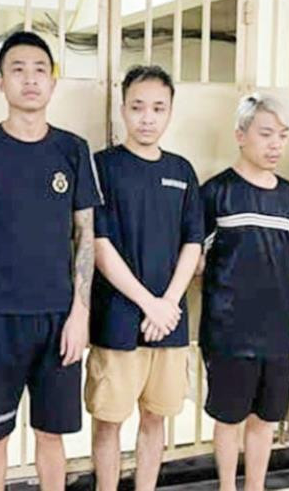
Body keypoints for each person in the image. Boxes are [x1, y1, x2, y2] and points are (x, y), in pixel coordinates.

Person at [0, 31, 103, 491]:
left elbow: (86, 236)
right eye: (17, 70)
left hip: (58, 318)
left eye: (39, 70)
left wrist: (80, 313)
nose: (30, 79)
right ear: (0, 82)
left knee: (52, 436)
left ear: (53, 82)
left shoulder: (72, 149)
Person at [86, 65, 203, 491]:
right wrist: (148, 303)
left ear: (170, 112)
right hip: (117, 320)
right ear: (122, 109)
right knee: (109, 421)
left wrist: (167, 303)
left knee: (156, 418)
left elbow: (193, 242)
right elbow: (98, 244)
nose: (147, 118)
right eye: (137, 107)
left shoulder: (182, 170)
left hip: (169, 322)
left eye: (158, 108)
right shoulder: (101, 166)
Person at [199, 93, 289, 491]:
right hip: (229, 332)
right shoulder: (216, 192)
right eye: (266, 134)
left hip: (277, 333)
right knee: (229, 419)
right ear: (241, 135)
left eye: (282, 136)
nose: (276, 144)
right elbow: (196, 261)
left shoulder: (288, 195)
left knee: (266, 420)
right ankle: (227, 486)